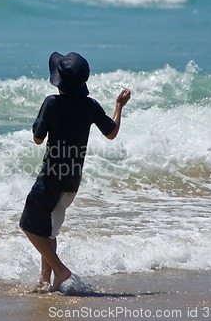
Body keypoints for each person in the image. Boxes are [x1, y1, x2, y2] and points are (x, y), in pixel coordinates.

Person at [19, 52, 131, 292]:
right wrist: (119, 106)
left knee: (28, 224)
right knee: (48, 230)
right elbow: (111, 133)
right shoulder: (90, 106)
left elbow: (38, 139)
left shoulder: (51, 103)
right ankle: (45, 281)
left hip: (51, 177)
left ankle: (60, 270)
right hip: (72, 180)